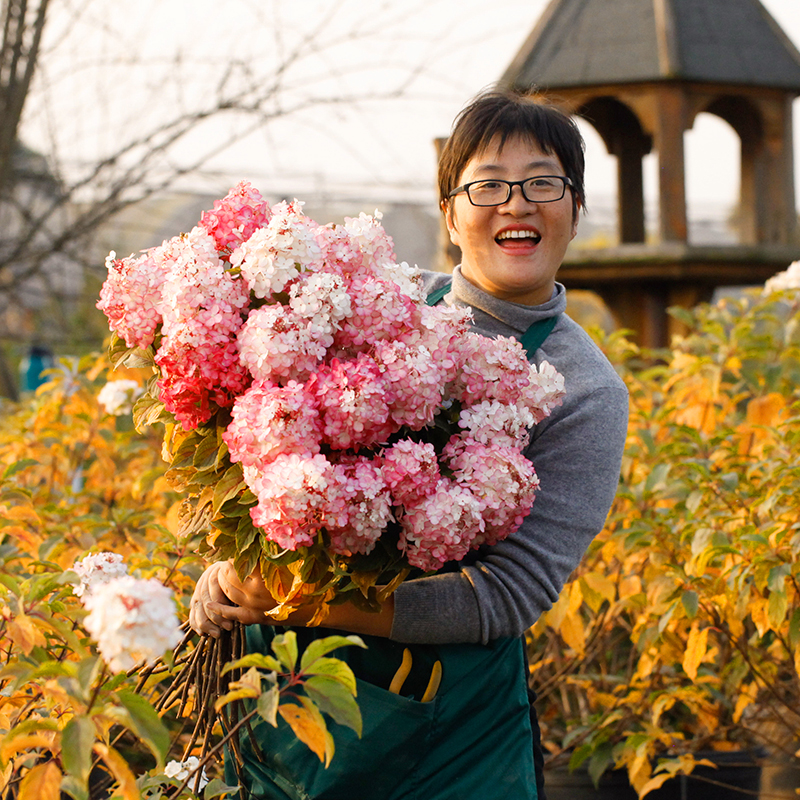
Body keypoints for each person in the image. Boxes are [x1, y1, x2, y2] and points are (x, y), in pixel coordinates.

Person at [190, 87, 629, 800]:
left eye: (543, 182)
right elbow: (256, 457)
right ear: (451, 211)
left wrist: (297, 602)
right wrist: (229, 566)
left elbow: (504, 598)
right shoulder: (368, 304)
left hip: (454, 742)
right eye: (487, 185)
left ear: (575, 208)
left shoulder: (584, 391)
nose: (515, 203)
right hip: (285, 707)